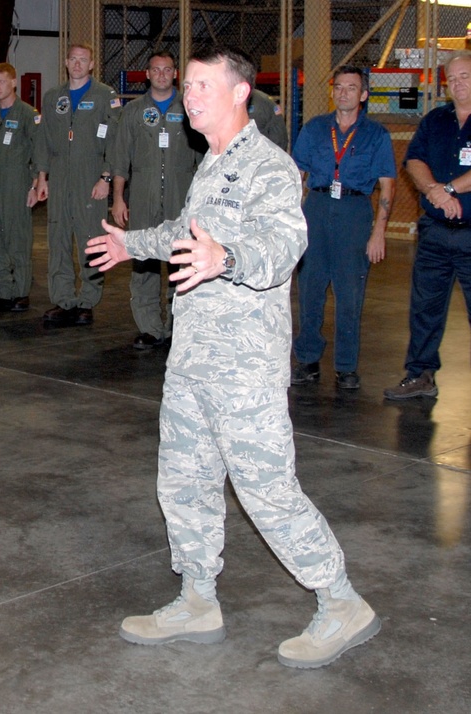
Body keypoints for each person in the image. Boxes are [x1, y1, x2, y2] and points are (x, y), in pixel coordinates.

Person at [85, 44, 379, 669]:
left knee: (266, 487)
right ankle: (197, 599)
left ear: (240, 92)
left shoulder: (267, 166)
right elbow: (184, 233)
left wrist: (229, 259)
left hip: (243, 364)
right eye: (185, 86)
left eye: (199, 85)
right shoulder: (212, 164)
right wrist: (131, 243)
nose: (188, 96)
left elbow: (284, 243)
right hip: (193, 357)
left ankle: (341, 600)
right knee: (184, 481)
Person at [290, 65, 396, 390]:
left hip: (354, 211)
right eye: (339, 87)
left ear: (363, 95)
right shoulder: (315, 129)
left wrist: (378, 232)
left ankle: (346, 365)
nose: (343, 93)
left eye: (351, 87)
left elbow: (387, 187)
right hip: (317, 209)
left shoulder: (376, 135)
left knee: (350, 292)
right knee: (310, 288)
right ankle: (307, 359)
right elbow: (297, 175)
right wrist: (292, 219)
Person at [384, 51, 471, 400]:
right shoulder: (436, 119)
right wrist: (435, 191)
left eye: (466, 75)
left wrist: (448, 189)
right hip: (435, 234)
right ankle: (420, 375)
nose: (459, 83)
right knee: (425, 308)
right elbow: (414, 160)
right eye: (454, 78)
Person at [110, 50, 206, 349]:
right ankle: (150, 327)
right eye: (156, 69)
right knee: (143, 260)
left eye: (167, 69)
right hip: (143, 195)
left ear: (175, 73)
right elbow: (120, 158)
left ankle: (180, 326)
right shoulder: (134, 111)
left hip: (182, 195)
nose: (162, 74)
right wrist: (118, 199)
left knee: (182, 262)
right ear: (147, 74)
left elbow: (204, 158)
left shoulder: (190, 107)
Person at [34, 43, 122, 327]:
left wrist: (106, 177)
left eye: (83, 60)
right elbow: (43, 140)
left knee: (91, 240)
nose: (78, 64)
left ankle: (87, 301)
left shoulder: (104, 96)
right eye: (73, 59)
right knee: (58, 239)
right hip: (59, 176)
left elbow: (116, 141)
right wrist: (42, 177)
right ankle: (64, 300)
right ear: (66, 62)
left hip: (91, 176)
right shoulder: (52, 97)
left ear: (92, 64)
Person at [0, 62, 41, 312]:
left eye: (2, 82)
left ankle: (21, 291)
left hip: (16, 185)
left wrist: (36, 184)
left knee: (17, 239)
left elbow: (39, 151)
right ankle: (2, 290)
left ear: (14, 82)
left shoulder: (27, 114)